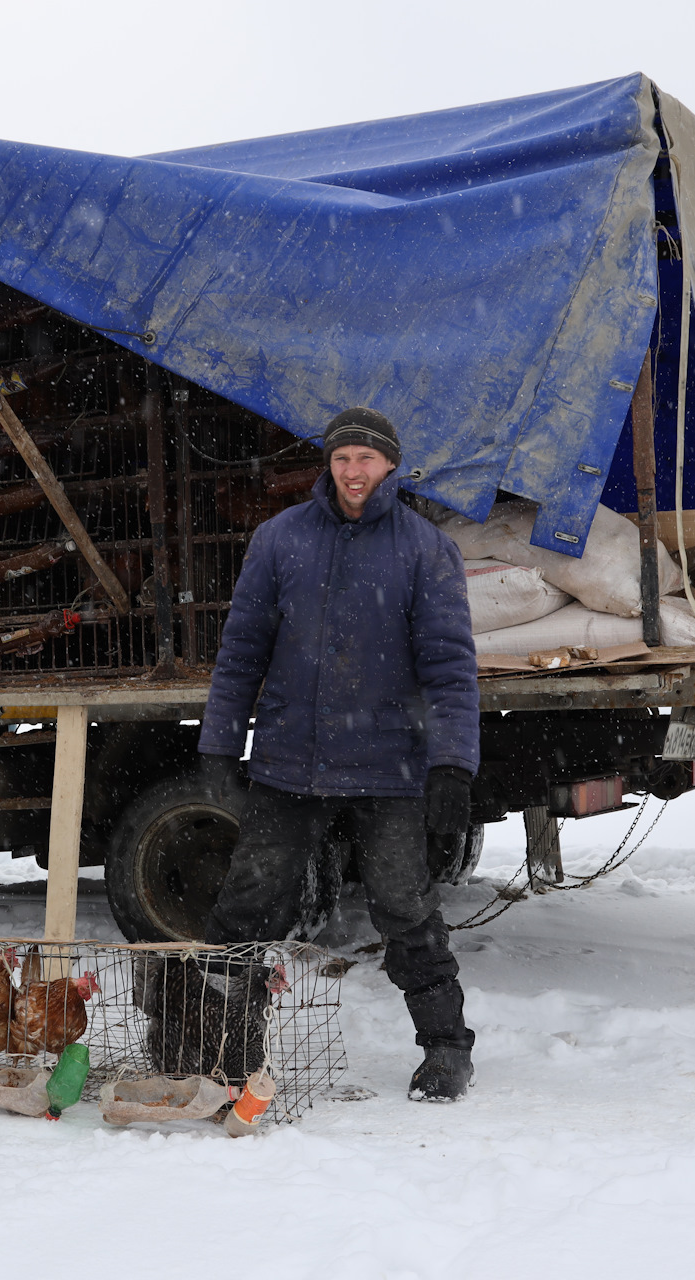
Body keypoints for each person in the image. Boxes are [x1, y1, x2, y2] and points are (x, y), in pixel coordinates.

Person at [197, 407, 482, 1102]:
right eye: (342, 459)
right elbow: (241, 654)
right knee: (247, 904)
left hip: (388, 764)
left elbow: (449, 668)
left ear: (391, 464)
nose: (354, 472)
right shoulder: (280, 540)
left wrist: (452, 764)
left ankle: (446, 1047)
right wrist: (220, 744)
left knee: (402, 906)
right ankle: (217, 1050)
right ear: (328, 465)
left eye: (367, 459)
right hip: (289, 761)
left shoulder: (423, 549)